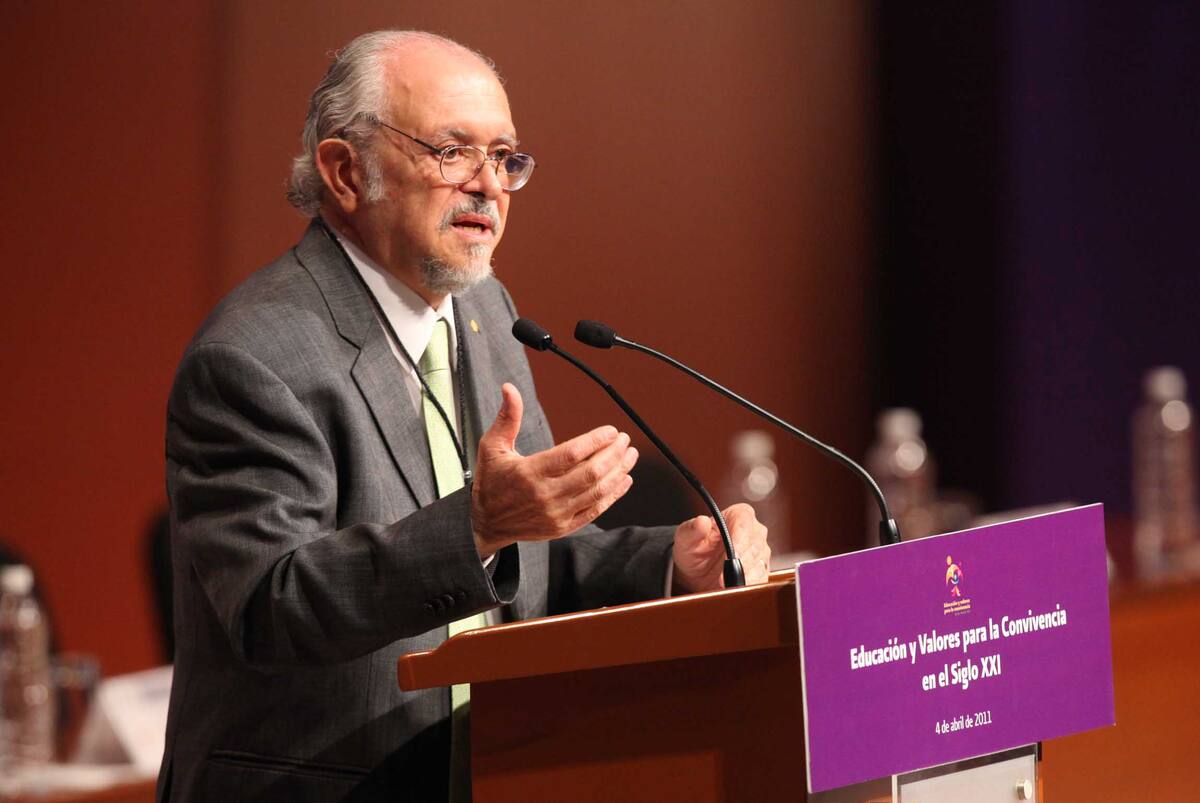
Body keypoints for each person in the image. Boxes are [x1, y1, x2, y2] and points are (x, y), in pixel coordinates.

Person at [157, 30, 770, 802]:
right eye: (452, 152)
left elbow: (530, 563)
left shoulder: (486, 313)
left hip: (492, 776)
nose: (489, 185)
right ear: (345, 172)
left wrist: (671, 562)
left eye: (504, 156)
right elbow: (272, 607)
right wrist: (477, 527)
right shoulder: (254, 355)